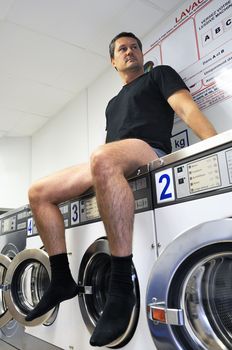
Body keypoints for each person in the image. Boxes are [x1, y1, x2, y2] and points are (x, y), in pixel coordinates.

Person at [26, 32, 217, 346]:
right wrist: (100, 177)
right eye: (122, 49)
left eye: (135, 47)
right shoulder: (112, 104)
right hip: (113, 158)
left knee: (102, 156)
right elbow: (109, 149)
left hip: (149, 150)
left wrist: (217, 146)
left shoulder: (159, 75)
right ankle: (61, 279)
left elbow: (186, 110)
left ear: (142, 55)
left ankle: (120, 287)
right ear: (113, 61)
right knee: (38, 192)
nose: (130, 51)